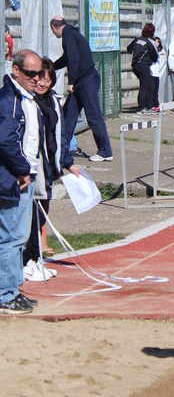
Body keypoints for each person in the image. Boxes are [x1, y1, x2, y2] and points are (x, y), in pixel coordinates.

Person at [23, 58, 80, 283]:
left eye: (48, 79)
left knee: (42, 214)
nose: (43, 83)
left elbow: (61, 136)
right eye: (40, 78)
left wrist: (68, 163)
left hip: (48, 169)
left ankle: (36, 258)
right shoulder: (28, 101)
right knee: (31, 216)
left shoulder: (54, 102)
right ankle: (27, 260)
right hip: (32, 168)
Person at [0, 49, 43, 314]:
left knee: (19, 238)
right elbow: (6, 139)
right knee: (11, 237)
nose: (36, 78)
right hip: (15, 178)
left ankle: (12, 289)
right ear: (16, 71)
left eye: (39, 73)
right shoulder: (9, 99)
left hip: (26, 175)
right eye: (30, 73)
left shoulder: (28, 97)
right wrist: (22, 169)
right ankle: (5, 295)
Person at [50, 16, 114, 162]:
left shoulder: (67, 35)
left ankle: (105, 151)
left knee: (93, 115)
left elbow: (73, 60)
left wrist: (70, 81)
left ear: (54, 27)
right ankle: (61, 148)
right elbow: (68, 58)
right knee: (68, 115)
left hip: (86, 80)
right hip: (82, 81)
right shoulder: (72, 33)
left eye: (53, 31)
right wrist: (51, 66)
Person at [127, 23, 159, 115]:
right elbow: (155, 57)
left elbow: (129, 49)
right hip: (143, 66)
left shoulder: (137, 39)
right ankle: (142, 107)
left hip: (135, 65)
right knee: (146, 86)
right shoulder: (150, 42)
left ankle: (147, 106)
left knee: (149, 86)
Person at [150, 37, 167, 111]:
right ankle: (152, 105)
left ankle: (156, 104)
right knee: (152, 90)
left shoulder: (160, 51)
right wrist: (161, 53)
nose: (157, 43)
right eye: (156, 42)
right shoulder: (152, 51)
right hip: (152, 72)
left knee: (156, 90)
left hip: (157, 73)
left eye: (158, 42)